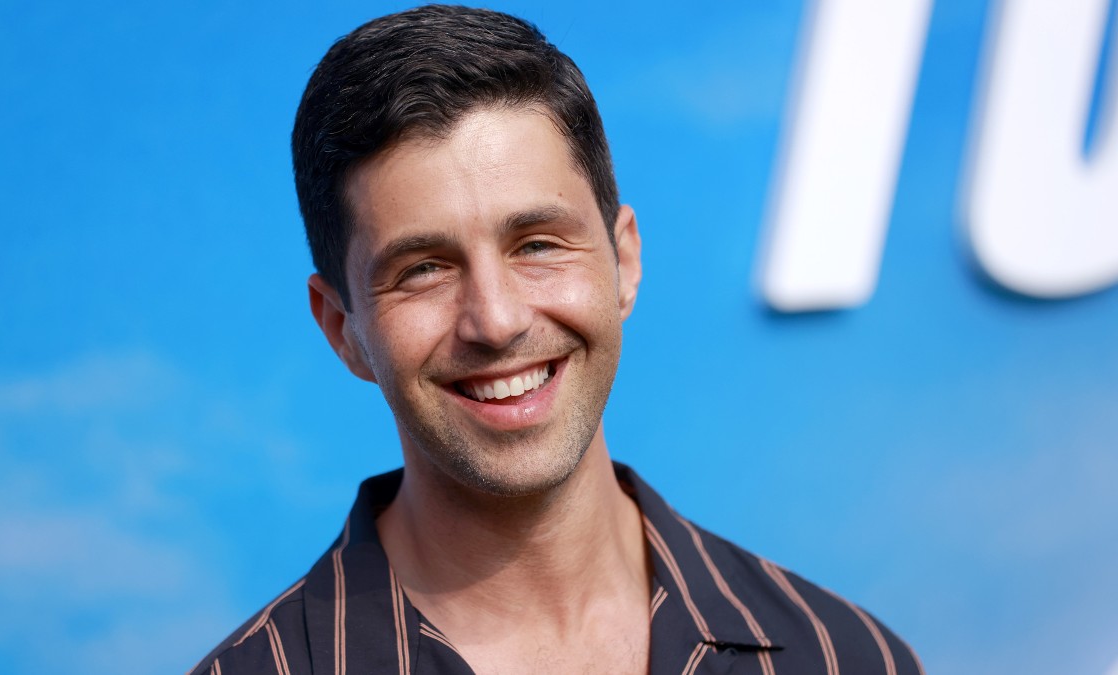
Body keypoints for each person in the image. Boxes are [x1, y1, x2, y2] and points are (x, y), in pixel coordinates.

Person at [188, 5, 923, 674]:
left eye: (537, 244)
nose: (496, 319)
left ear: (623, 260)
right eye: (423, 269)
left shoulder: (847, 659)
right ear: (342, 328)